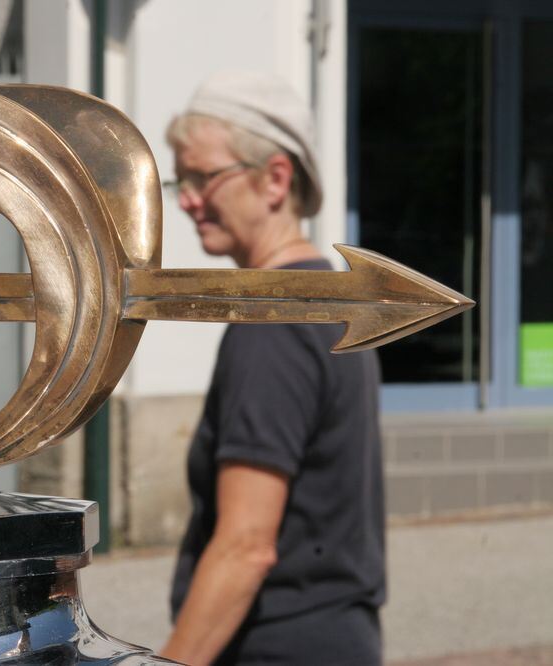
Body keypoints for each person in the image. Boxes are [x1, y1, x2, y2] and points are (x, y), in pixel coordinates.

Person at [159, 72, 385, 665]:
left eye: (204, 177)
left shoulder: (274, 324)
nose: (186, 198)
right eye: (181, 180)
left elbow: (245, 545)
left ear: (276, 179)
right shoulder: (334, 302)